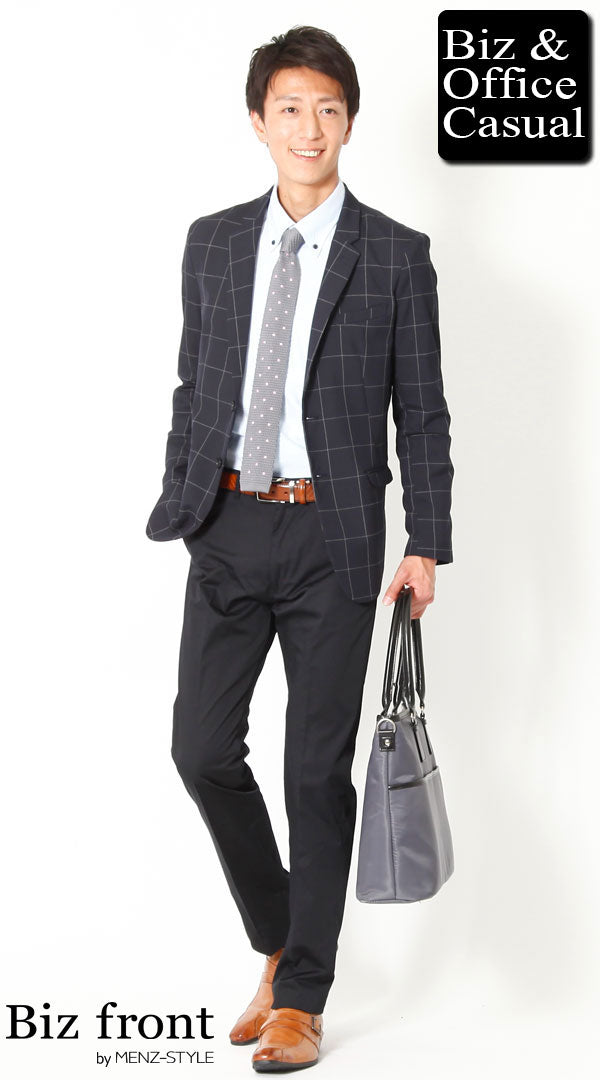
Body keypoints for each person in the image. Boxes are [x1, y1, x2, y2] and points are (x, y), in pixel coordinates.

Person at [146, 24, 454, 1072]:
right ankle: (283, 942)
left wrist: (427, 542)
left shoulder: (396, 254)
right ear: (258, 121)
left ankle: (302, 1000)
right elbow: (196, 382)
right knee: (200, 749)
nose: (308, 127)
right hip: (227, 523)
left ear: (349, 122)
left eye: (327, 108)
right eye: (289, 108)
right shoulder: (214, 242)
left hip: (336, 535)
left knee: (315, 772)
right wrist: (186, 493)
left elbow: (422, 413)